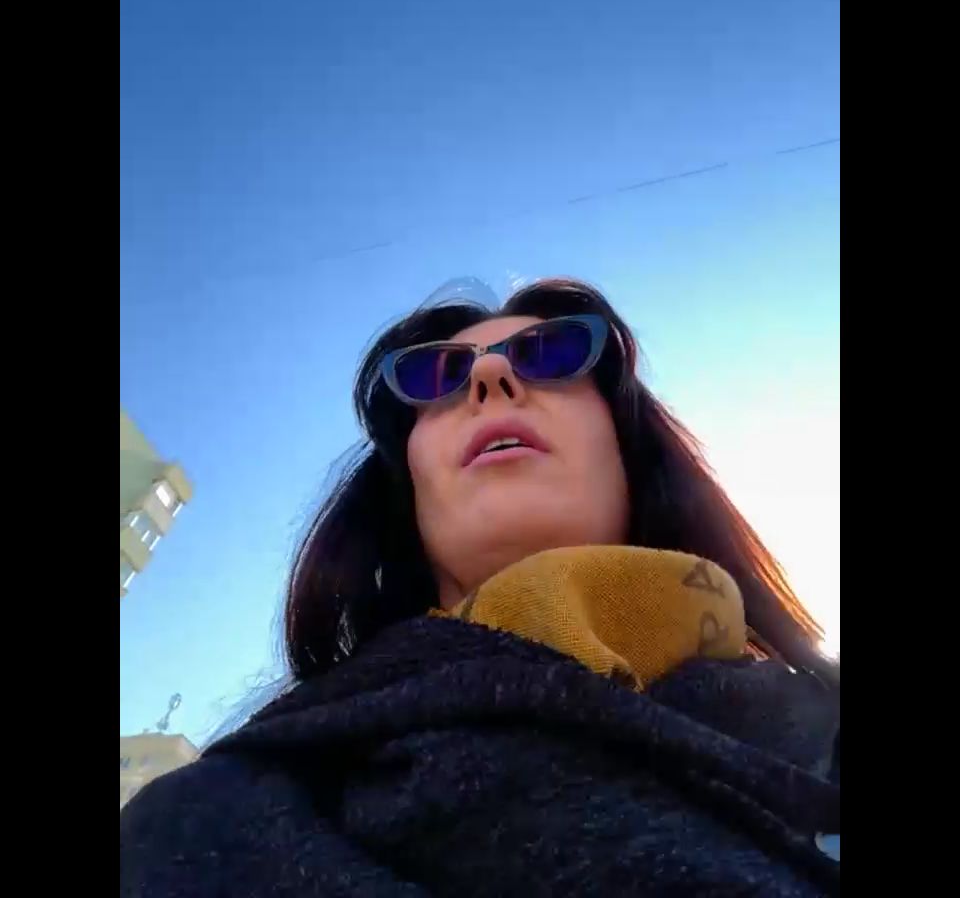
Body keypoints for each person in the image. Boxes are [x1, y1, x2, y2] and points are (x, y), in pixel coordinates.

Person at [120, 278, 840, 897]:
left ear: (632, 451)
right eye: (437, 375)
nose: (492, 379)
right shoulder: (195, 826)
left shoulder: (824, 728)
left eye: (553, 354)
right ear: (403, 494)